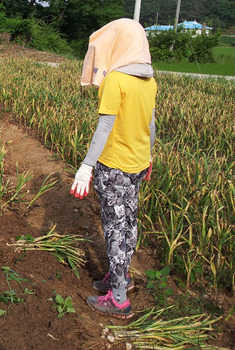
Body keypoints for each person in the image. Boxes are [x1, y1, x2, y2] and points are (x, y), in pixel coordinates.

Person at [70, 18, 157, 320]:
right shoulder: (149, 81)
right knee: (129, 222)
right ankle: (122, 277)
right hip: (137, 164)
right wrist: (149, 157)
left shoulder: (116, 80)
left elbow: (105, 127)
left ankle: (118, 298)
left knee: (114, 228)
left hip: (114, 167)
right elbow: (151, 124)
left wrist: (86, 166)